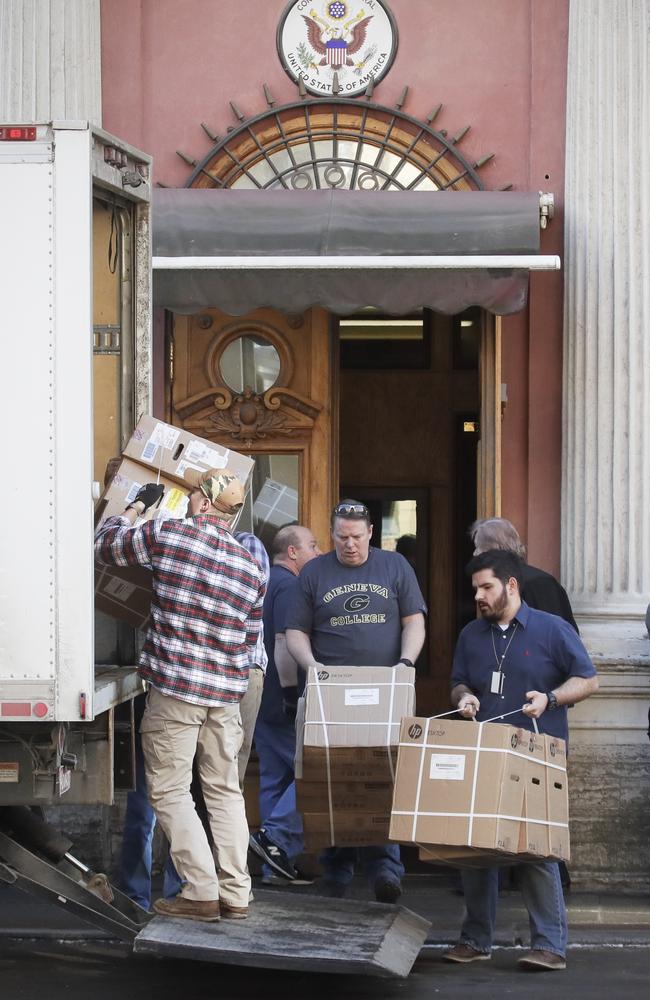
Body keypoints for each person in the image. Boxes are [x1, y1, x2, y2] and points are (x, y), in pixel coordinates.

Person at [95, 467, 266, 922]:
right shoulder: (250, 565)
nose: (189, 499)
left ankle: (201, 890)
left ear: (206, 504)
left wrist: (136, 506)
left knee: (170, 791)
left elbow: (105, 542)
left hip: (176, 692)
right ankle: (237, 893)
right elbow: (249, 641)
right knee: (225, 792)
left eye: (193, 494)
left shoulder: (169, 535)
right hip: (225, 697)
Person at [444, 549, 598, 971]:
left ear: (511, 585)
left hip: (537, 758)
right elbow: (457, 682)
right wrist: (465, 698)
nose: (479, 595)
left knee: (536, 853)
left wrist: (550, 699)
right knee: (474, 849)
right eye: (476, 588)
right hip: (483, 753)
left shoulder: (552, 629)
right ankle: (476, 940)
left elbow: (588, 679)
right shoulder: (471, 635)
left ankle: (550, 945)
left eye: (487, 587)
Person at [284, 500, 427, 903]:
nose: (350, 545)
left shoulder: (395, 567)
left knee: (386, 773)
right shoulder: (313, 572)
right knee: (335, 777)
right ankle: (337, 870)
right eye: (343, 537)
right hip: (332, 691)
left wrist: (405, 664)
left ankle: (386, 869)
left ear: (371, 535)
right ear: (332, 535)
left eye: (358, 538)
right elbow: (296, 631)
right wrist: (312, 668)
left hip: (386, 690)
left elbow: (414, 621)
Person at [248, 524, 321, 885]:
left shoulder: (263, 580)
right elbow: (282, 643)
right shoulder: (291, 585)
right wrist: (293, 696)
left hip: (259, 696)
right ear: (292, 552)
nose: (318, 551)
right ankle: (273, 838)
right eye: (312, 545)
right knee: (313, 772)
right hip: (283, 698)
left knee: (274, 779)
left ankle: (274, 867)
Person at [470, 518, 578, 631]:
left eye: (478, 547)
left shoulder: (539, 582)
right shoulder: (540, 580)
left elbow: (560, 635)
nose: (475, 553)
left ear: (492, 548)